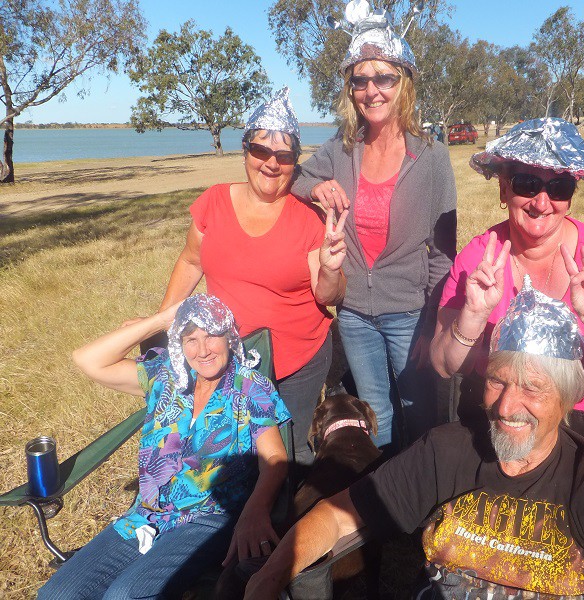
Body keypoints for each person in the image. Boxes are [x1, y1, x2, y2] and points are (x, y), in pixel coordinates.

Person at [242, 281, 584, 599]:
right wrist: (267, 580)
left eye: (533, 388)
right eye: (497, 381)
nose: (507, 406)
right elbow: (338, 516)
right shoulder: (448, 451)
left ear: (567, 397)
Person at [38, 295, 291, 599]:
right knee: (56, 593)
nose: (203, 350)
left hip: (208, 518)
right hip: (144, 515)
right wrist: (160, 320)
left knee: (124, 595)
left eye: (211, 336)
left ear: (229, 337)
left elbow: (274, 458)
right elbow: (86, 359)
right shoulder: (165, 375)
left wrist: (255, 509)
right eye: (191, 339)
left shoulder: (249, 386)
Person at [291, 0, 457, 449]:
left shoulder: (431, 157)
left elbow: (444, 253)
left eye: (384, 77)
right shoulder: (342, 149)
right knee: (375, 412)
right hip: (354, 313)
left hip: (410, 312)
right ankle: (383, 485)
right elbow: (294, 177)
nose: (372, 90)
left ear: (403, 83)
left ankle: (422, 485)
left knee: (418, 412)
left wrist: (432, 324)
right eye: (360, 80)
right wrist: (317, 187)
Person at [159, 87, 348, 468]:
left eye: (284, 156)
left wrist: (330, 268)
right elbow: (191, 262)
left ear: (295, 163)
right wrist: (164, 325)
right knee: (236, 446)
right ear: (245, 151)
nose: (271, 164)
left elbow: (330, 296)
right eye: (261, 151)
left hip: (297, 361)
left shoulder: (309, 218)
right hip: (228, 355)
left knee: (289, 451)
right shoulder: (213, 202)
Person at [430, 117, 584, 417]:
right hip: (500, 410)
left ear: (570, 197)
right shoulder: (479, 258)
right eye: (527, 184)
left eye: (559, 187)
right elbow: (443, 365)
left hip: (579, 417)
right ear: (504, 190)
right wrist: (473, 316)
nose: (541, 203)